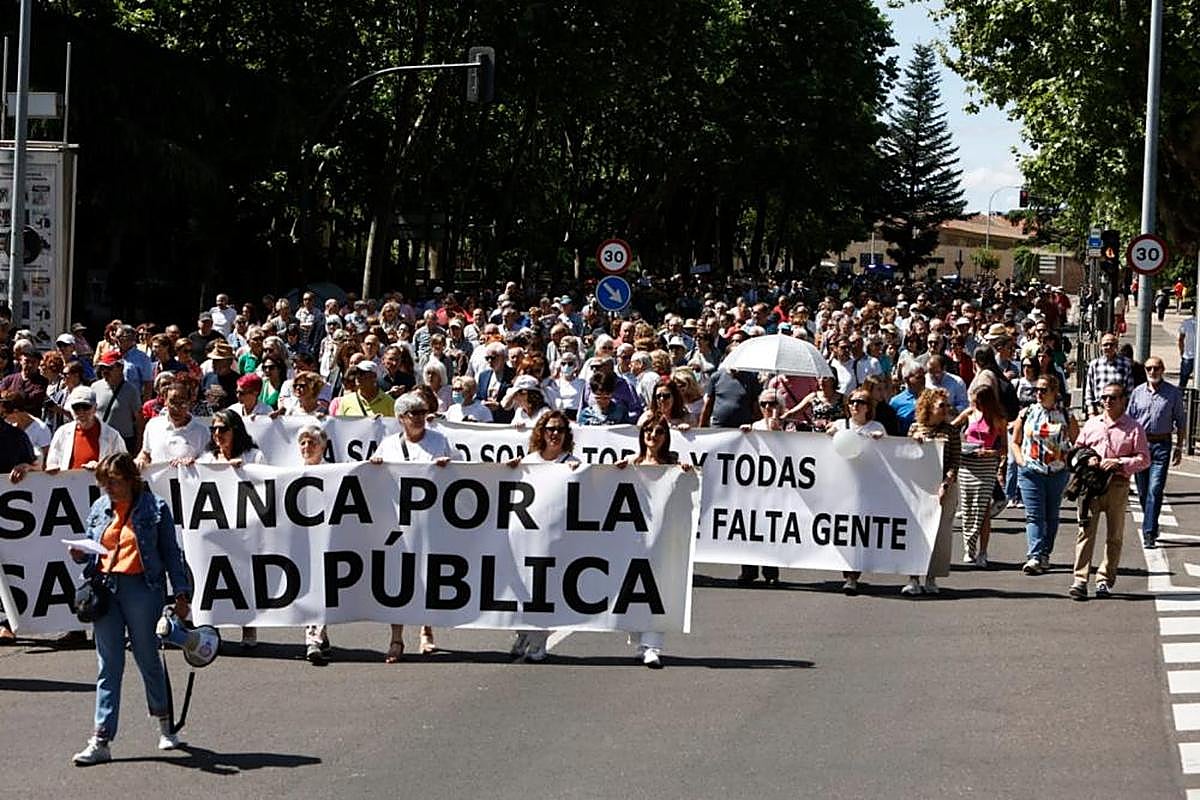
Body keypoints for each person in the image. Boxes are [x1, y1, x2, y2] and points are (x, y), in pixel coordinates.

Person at [68, 452, 192, 765]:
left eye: (114, 482)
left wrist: (181, 593)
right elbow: (93, 545)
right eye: (104, 483)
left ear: (131, 480)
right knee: (108, 665)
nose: (108, 488)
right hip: (105, 589)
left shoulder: (155, 508)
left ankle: (166, 726)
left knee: (147, 656)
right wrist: (81, 554)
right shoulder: (100, 507)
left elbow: (171, 553)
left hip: (142, 589)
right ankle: (101, 740)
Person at [371, 392, 458, 661]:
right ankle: (396, 638)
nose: (420, 418)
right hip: (399, 522)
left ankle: (426, 630)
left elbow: (460, 471)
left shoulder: (439, 440)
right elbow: (372, 477)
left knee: (428, 575)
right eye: (414, 414)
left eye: (422, 412)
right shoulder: (388, 445)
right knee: (398, 578)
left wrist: (447, 467)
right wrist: (375, 465)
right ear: (401, 418)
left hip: (430, 519)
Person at [615, 414, 692, 668]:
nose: (653, 436)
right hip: (634, 536)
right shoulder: (632, 462)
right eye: (648, 431)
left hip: (663, 536)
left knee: (658, 587)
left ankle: (653, 645)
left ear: (665, 437)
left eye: (659, 432)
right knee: (634, 589)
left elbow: (688, 490)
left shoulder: (673, 464)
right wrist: (615, 471)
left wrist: (686, 472)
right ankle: (641, 642)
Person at [506, 411, 580, 663]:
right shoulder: (529, 461)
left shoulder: (573, 462)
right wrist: (510, 470)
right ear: (541, 432)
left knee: (546, 589)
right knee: (523, 588)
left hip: (557, 538)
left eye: (560, 429)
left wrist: (578, 473)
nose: (555, 434)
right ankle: (523, 633)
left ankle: (539, 640)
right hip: (526, 536)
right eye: (550, 429)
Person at [1069, 382, 1150, 599]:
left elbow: (1144, 459)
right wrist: (1088, 458)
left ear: (1123, 400)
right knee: (1085, 532)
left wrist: (1119, 462)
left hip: (1117, 485)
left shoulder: (1134, 428)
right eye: (1104, 397)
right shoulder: (1092, 424)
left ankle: (1104, 579)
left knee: (1114, 536)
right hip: (1091, 485)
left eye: (1112, 397)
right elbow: (1077, 449)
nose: (1107, 401)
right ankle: (1080, 579)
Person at [826, 387, 886, 595]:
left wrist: (881, 440)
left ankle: (853, 575)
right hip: (841, 486)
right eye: (851, 401)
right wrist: (828, 435)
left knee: (859, 530)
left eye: (860, 402)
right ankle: (848, 573)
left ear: (868, 407)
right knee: (842, 530)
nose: (855, 405)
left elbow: (886, 454)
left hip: (866, 486)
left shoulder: (876, 427)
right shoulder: (839, 425)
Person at [903, 387, 959, 596]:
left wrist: (946, 483)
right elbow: (905, 457)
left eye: (947, 406)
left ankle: (931, 578)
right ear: (928, 406)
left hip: (944, 488)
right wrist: (914, 441)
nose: (945, 410)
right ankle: (913, 578)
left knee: (940, 534)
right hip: (919, 489)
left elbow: (955, 461)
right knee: (916, 533)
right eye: (941, 405)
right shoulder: (914, 428)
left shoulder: (951, 431)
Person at [1127, 356, 1186, 549]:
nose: (1153, 372)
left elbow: (1181, 421)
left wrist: (1179, 447)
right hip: (1140, 446)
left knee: (1155, 489)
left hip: (1162, 445)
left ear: (1163, 370)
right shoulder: (1137, 393)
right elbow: (1129, 420)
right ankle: (1151, 521)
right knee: (1143, 491)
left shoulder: (1173, 393)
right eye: (1149, 368)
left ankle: (1149, 532)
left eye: (1156, 368)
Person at [952, 383, 1006, 567]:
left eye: (979, 402)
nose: (976, 405)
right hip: (967, 463)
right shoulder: (969, 413)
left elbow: (1004, 448)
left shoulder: (997, 419)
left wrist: (990, 453)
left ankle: (983, 551)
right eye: (974, 402)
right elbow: (952, 427)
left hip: (986, 465)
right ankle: (969, 547)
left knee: (982, 509)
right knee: (967, 506)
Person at [295, 425, 334, 663]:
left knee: (321, 588)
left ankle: (314, 639)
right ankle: (319, 636)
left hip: (325, 539)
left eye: (312, 442)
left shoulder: (334, 472)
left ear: (323, 446)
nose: (307, 447)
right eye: (303, 443)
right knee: (307, 588)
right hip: (299, 540)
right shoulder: (291, 471)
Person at [0, 421, 35, 643]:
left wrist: (27, 468)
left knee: (10, 567)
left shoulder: (15, 436)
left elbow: (36, 466)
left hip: (12, 515)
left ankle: (6, 622)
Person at [43, 386, 127, 472]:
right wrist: (52, 468)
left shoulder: (112, 436)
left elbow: (123, 467)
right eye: (76, 407)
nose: (81, 412)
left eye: (86, 407)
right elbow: (52, 461)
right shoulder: (62, 433)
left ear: (95, 408)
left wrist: (101, 467)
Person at [135, 384, 209, 467]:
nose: (176, 408)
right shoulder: (153, 425)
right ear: (165, 401)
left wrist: (195, 462)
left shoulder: (202, 431)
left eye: (182, 403)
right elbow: (146, 452)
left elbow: (209, 461)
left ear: (190, 403)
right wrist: (141, 460)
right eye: (172, 402)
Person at [92, 350, 144, 455]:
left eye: (109, 368)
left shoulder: (131, 390)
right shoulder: (95, 387)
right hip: (100, 439)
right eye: (103, 368)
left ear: (120, 367)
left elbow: (139, 420)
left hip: (124, 440)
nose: (105, 372)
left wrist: (139, 446)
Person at [1083, 334, 1135, 415]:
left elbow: (1129, 390)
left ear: (1116, 346)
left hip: (1119, 410)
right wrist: (1091, 411)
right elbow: (1089, 389)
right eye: (1105, 345)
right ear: (1101, 347)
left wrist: (1126, 410)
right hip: (1099, 409)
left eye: (1111, 344)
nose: (1108, 347)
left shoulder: (1125, 363)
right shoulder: (1094, 364)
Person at [1180, 316, 1196, 390]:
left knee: (1183, 380)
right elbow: (1181, 339)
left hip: (1188, 355)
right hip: (1188, 355)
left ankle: (1180, 394)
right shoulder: (1186, 322)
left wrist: (1182, 351)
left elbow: (1181, 339)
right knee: (1183, 380)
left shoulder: (1186, 322)